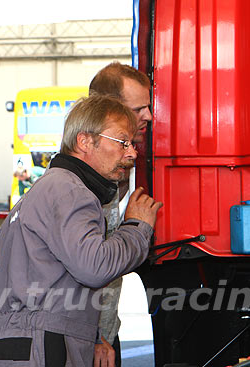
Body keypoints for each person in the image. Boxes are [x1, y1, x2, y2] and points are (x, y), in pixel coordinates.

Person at [0, 95, 162, 367]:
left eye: (132, 143)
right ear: (85, 141)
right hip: (46, 347)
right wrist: (136, 227)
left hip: (21, 344)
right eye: (122, 142)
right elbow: (95, 267)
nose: (132, 153)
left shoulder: (46, 190)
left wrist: (94, 336)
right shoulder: (71, 192)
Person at [89, 62, 152, 366]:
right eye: (139, 109)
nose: (149, 116)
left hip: (101, 331)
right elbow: (89, 267)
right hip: (87, 338)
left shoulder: (114, 169)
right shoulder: (86, 179)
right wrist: (97, 338)